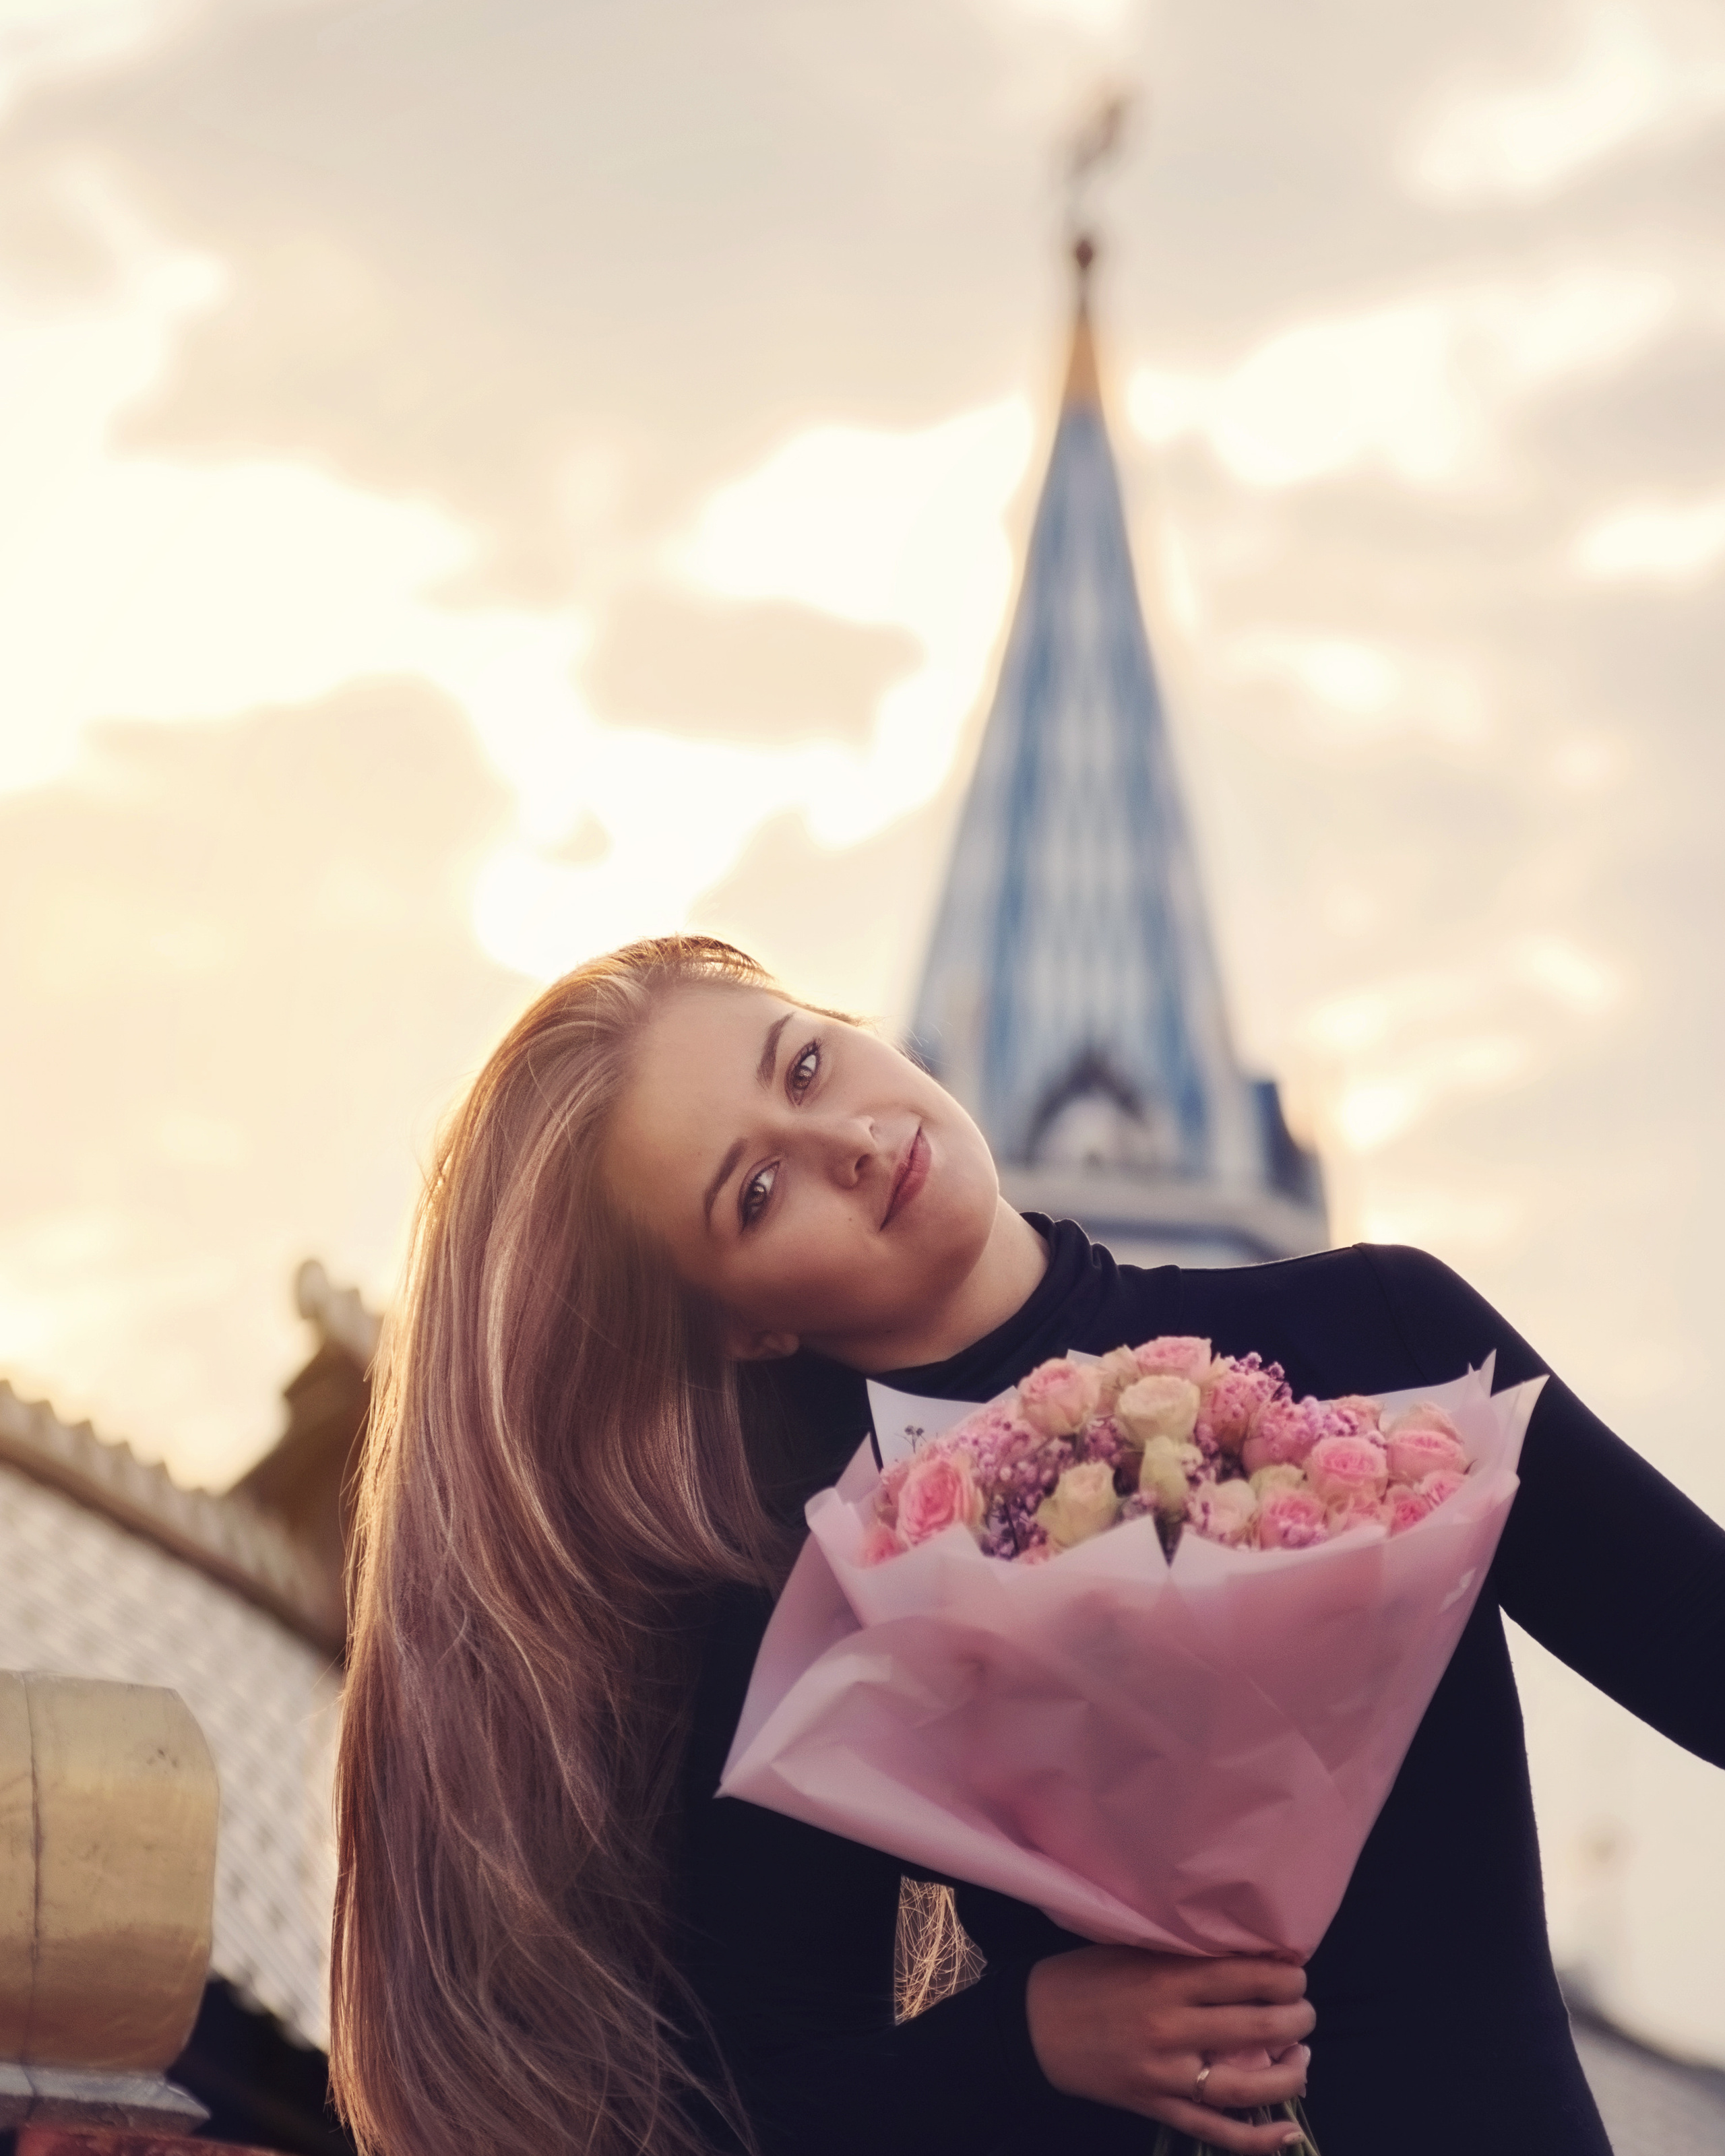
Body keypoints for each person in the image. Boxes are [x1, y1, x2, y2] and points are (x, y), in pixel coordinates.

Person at [330, 936, 1725, 2156]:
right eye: (755, 1192)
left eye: (805, 1065)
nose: (846, 1143)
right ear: (743, 1325)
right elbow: (748, 2104)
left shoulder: (1382, 1332)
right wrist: (1034, 2038)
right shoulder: (819, 1582)